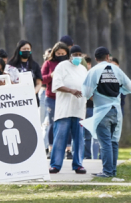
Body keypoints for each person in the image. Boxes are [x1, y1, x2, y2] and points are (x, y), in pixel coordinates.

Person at [81, 47, 131, 178]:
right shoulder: (117, 70)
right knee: (114, 142)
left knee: (105, 143)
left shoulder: (94, 71)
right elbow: (129, 86)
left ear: (96, 58)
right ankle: (112, 170)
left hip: (102, 112)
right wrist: (119, 92)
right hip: (116, 110)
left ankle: (107, 172)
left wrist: (95, 96)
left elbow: (86, 92)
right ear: (108, 56)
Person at [49, 45, 88, 174]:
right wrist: (71, 90)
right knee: (60, 137)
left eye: (79, 54)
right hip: (64, 109)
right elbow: (57, 85)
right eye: (75, 54)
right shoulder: (61, 66)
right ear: (70, 55)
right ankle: (55, 165)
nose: (77, 57)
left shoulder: (83, 69)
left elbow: (87, 86)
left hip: (79, 108)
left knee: (78, 138)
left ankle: (78, 164)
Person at [41, 42, 71, 159]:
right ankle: (51, 149)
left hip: (66, 97)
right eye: (58, 53)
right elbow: (42, 79)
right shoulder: (48, 63)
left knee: (67, 123)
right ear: (54, 53)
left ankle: (68, 150)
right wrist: (51, 76)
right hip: (52, 98)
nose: (61, 55)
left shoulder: (69, 64)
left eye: (63, 54)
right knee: (53, 123)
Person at [5, 40, 42, 105]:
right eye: (24, 49)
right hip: (16, 99)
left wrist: (32, 93)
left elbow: (39, 83)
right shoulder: (11, 65)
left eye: (28, 49)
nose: (26, 51)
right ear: (19, 50)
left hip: (32, 99)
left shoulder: (35, 65)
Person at [83, 56, 100, 160]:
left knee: (94, 135)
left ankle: (94, 157)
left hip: (93, 108)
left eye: (89, 63)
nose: (87, 66)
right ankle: (86, 156)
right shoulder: (80, 76)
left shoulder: (94, 75)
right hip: (83, 108)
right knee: (86, 136)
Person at [40, 48, 51, 154]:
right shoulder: (43, 66)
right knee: (42, 123)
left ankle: (46, 147)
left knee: (47, 123)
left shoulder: (55, 66)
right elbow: (42, 80)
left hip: (51, 95)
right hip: (43, 93)